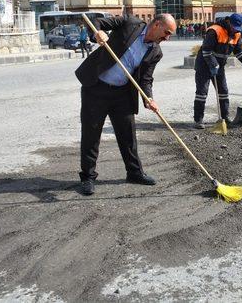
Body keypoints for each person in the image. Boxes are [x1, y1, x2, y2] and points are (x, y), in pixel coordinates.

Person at [75, 13, 177, 195]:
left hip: (122, 93)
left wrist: (149, 98)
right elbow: (95, 20)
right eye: (167, 32)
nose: (167, 38)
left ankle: (134, 172)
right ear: (157, 25)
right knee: (91, 134)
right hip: (96, 88)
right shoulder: (130, 23)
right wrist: (97, 32)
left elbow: (145, 79)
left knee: (128, 135)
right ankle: (88, 177)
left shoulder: (155, 51)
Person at [193, 13, 242, 129]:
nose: (235, 30)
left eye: (237, 28)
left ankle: (225, 118)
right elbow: (206, 51)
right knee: (202, 92)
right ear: (229, 22)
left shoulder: (236, 34)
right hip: (204, 65)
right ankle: (198, 120)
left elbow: (238, 51)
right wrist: (213, 64)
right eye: (234, 27)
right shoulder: (214, 31)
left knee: (223, 92)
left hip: (219, 66)